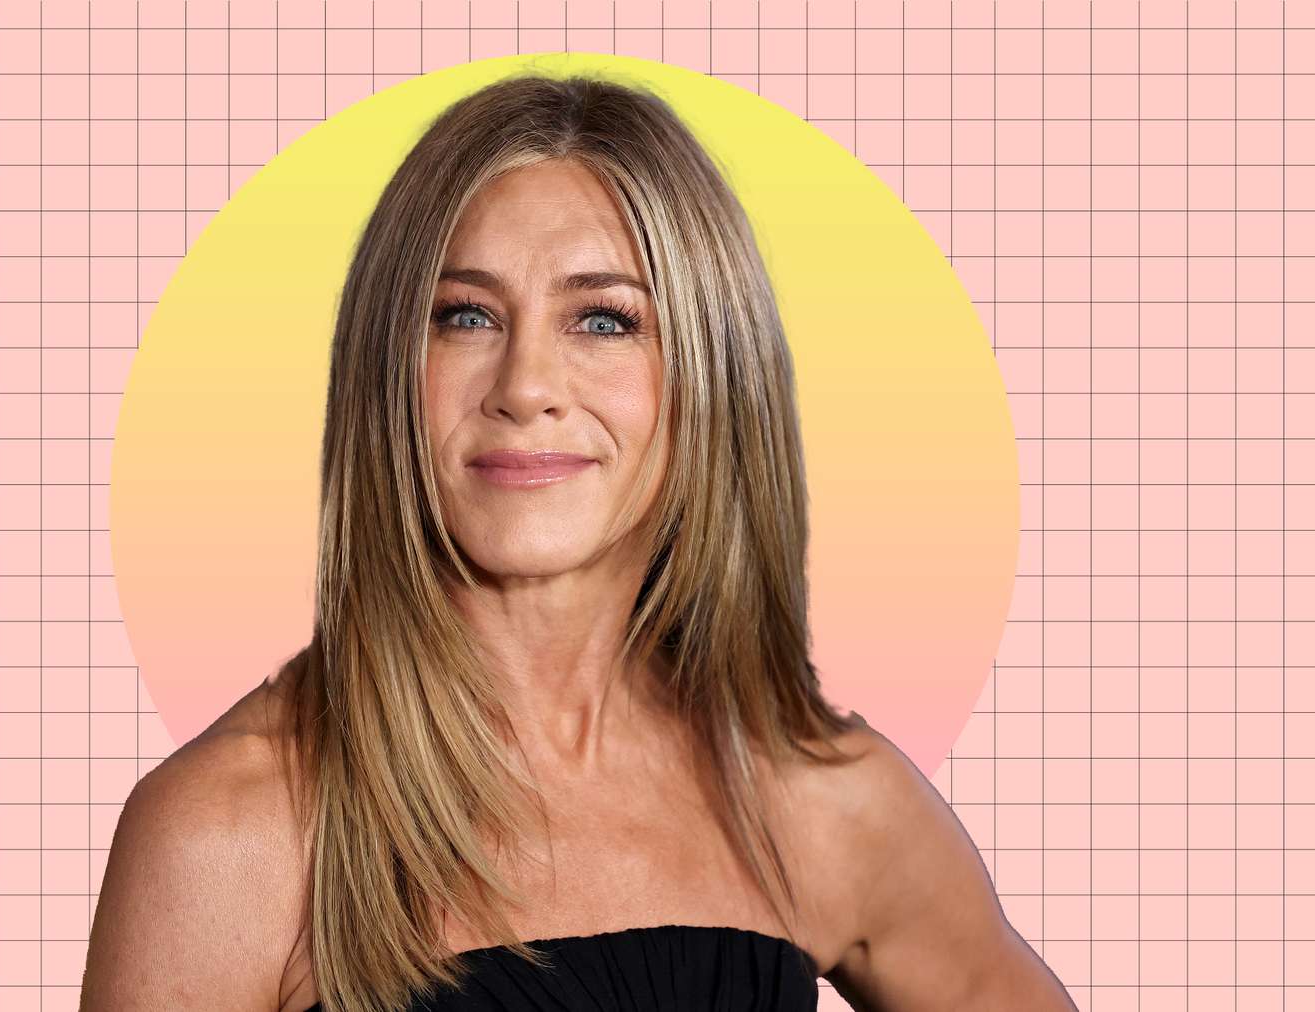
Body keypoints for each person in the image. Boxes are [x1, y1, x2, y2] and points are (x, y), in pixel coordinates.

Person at [79, 73, 1076, 1012]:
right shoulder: (228, 832)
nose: (525, 386)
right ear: (387, 371)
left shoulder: (816, 798)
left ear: (713, 373)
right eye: (465, 315)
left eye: (602, 320)